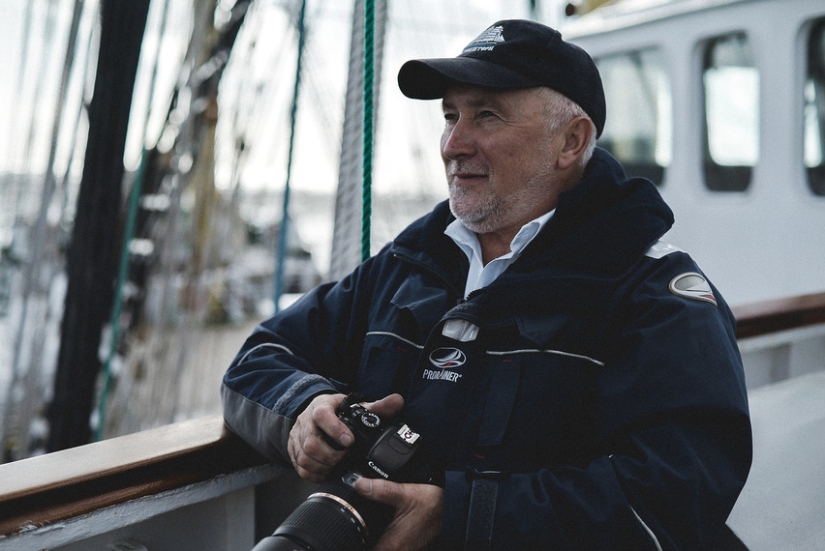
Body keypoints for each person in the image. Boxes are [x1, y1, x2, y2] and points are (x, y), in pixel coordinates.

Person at [222, 19, 752, 550]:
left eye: (486, 116)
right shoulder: (408, 264)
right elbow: (260, 357)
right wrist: (306, 408)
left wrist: (463, 518)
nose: (454, 144)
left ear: (572, 141)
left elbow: (680, 492)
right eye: (450, 116)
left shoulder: (654, 295)